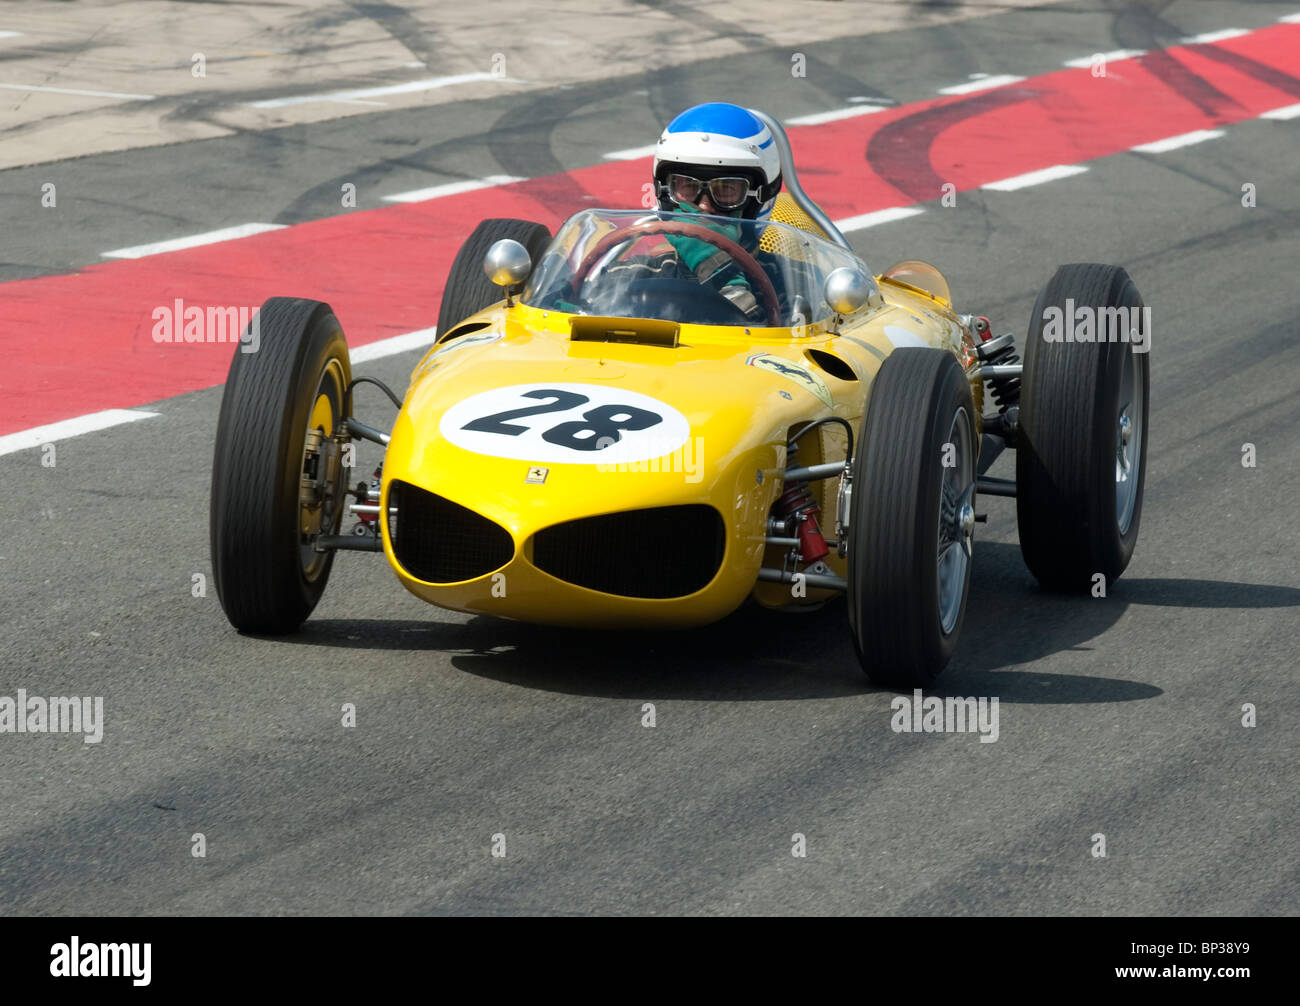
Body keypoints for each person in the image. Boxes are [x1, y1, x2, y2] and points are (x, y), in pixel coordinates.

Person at [646, 102, 784, 321]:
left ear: (760, 198)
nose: (704, 206)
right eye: (688, 186)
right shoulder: (641, 272)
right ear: (665, 193)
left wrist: (724, 279)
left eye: (726, 188)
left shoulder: (789, 283)